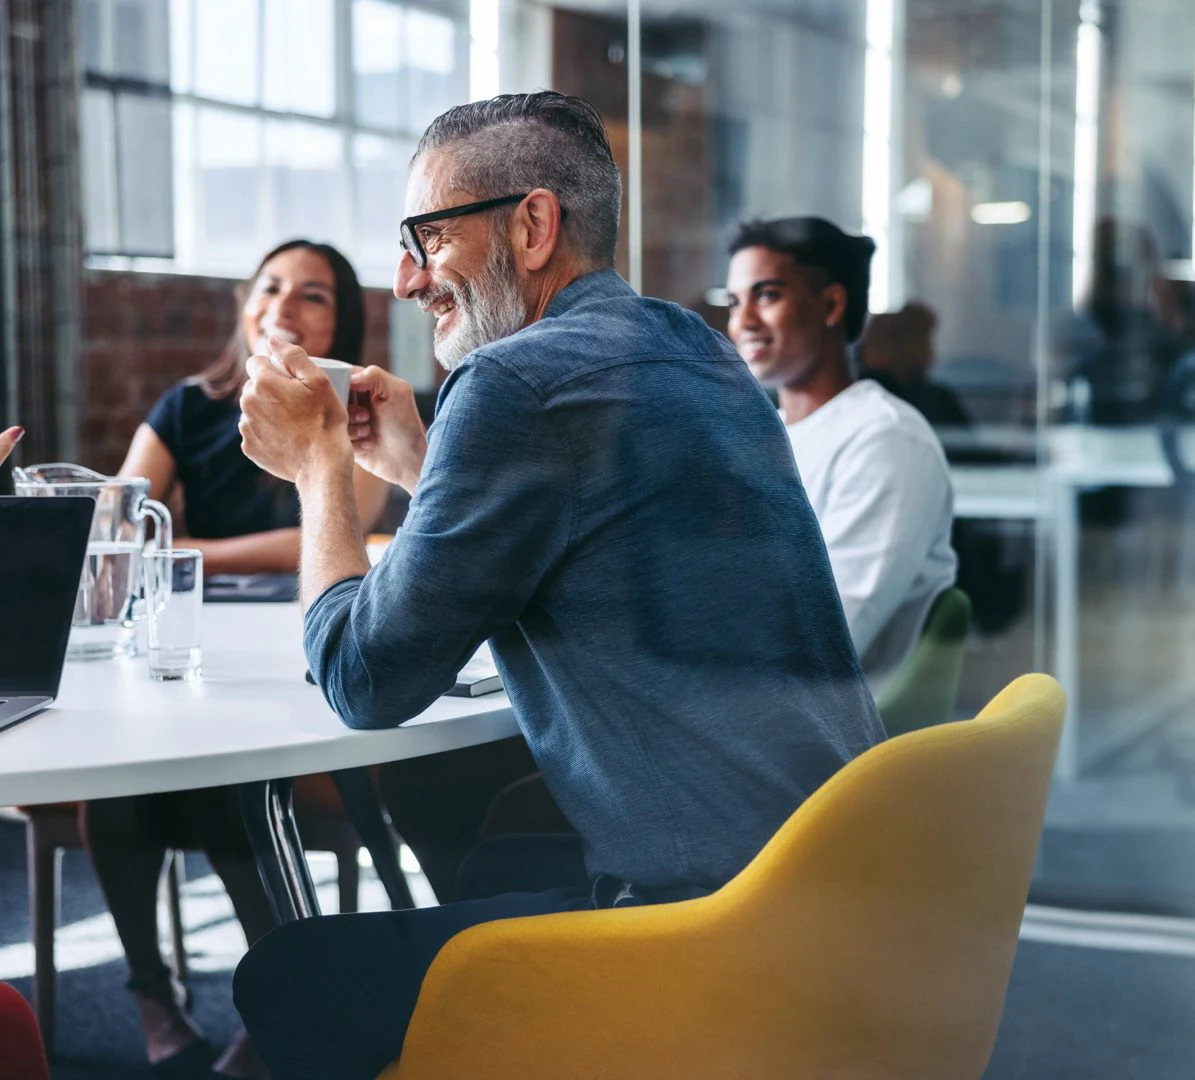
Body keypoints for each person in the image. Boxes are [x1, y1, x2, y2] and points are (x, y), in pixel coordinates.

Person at [228, 91, 878, 1079]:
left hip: (711, 925)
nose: (404, 280)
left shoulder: (514, 385)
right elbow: (588, 535)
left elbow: (364, 683)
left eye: (425, 237)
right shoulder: (691, 346)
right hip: (827, 885)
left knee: (285, 977)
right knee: (495, 857)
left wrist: (322, 467)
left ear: (531, 225)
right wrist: (421, 466)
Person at [82, 240, 389, 1080]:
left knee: (232, 774)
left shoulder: (356, 409)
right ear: (246, 305)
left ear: (344, 321)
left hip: (299, 648)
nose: (286, 303)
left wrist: (191, 552)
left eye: (314, 295)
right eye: (272, 286)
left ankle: (274, 1001)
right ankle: (151, 993)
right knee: (118, 778)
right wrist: (157, 544)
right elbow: (118, 523)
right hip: (190, 647)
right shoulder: (188, 407)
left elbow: (333, 532)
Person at [725, 216, 957, 687]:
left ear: (831, 304)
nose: (743, 321)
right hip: (751, 698)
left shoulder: (885, 440)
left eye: (767, 295)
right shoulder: (767, 435)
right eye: (734, 301)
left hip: (824, 732)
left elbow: (826, 637)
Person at [857, 301, 972, 429]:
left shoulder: (855, 396)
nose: (932, 351)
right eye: (926, 342)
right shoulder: (934, 401)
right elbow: (972, 446)